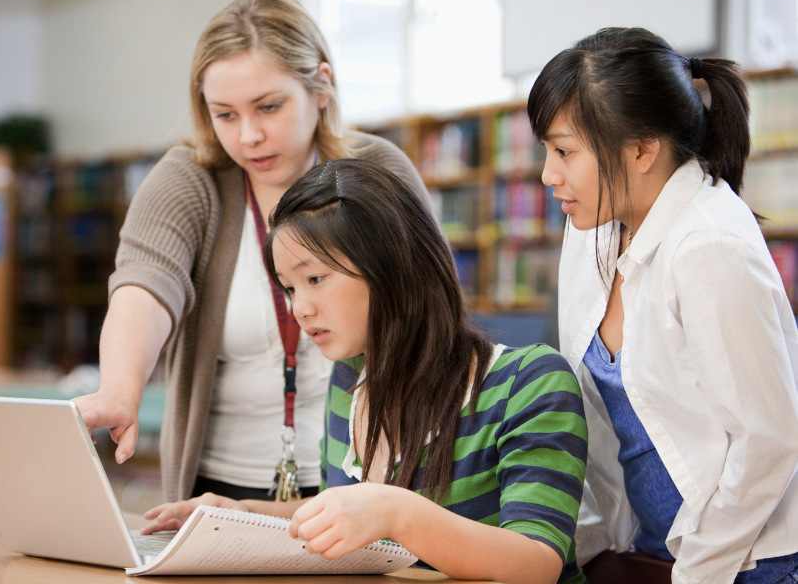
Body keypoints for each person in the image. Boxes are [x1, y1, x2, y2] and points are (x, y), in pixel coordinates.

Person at [137, 159, 589, 584]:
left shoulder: (531, 383)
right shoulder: (349, 379)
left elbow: (537, 561)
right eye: (289, 289)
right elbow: (349, 513)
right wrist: (234, 512)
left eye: (315, 279)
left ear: (392, 264)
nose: (300, 308)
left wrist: (396, 512)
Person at [72, 0, 434, 504]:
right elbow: (145, 286)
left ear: (321, 88)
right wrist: (119, 391)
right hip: (215, 490)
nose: (249, 136)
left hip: (371, 488)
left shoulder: (379, 171)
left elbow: (432, 311)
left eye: (269, 106)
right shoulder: (187, 181)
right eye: (225, 115)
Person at [528, 27, 798, 584]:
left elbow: (768, 440)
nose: (548, 174)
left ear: (643, 149)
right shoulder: (592, 228)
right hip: (651, 548)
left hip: (747, 561)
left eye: (563, 151)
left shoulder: (708, 245)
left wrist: (698, 573)